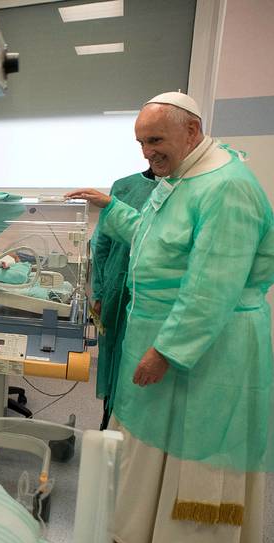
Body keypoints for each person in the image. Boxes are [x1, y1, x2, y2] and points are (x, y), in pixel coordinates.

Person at [67, 92, 274, 543]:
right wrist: (110, 206)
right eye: (141, 143)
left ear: (191, 131)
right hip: (164, 331)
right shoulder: (181, 178)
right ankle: (138, 531)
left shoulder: (227, 187)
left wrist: (167, 350)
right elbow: (153, 237)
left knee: (200, 452)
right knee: (153, 439)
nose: (147, 153)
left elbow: (213, 286)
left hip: (210, 345)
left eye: (155, 140)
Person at [90, 169, 157, 430]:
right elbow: (101, 243)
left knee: (141, 362)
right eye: (144, 147)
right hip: (115, 290)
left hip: (153, 297)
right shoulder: (124, 187)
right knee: (112, 355)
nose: (150, 152)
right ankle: (109, 420)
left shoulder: (185, 188)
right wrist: (99, 292)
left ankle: (132, 428)